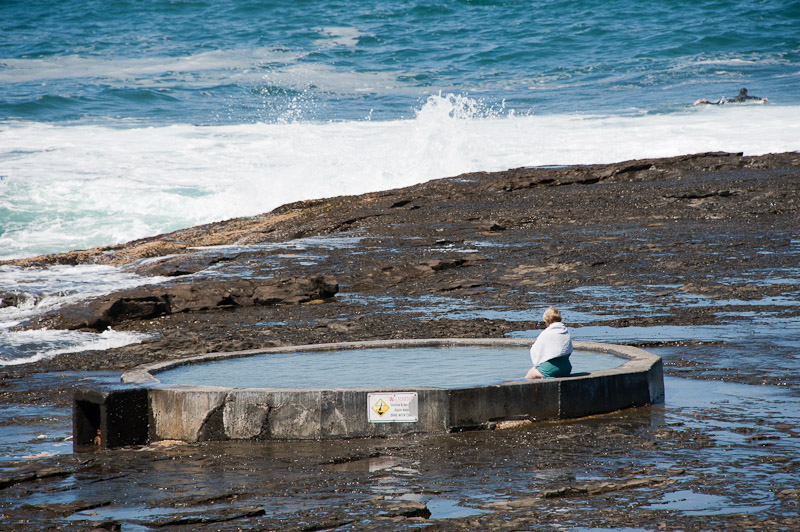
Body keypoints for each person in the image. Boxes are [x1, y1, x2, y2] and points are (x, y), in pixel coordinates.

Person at [525, 307, 573, 379]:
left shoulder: (547, 333)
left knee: (530, 374)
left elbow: (536, 350)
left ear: (547, 321)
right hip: (567, 367)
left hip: (553, 368)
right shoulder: (565, 331)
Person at [693, 88, 768, 106]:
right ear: (745, 92)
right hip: (727, 101)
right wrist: (762, 99)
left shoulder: (739, 96)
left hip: (727, 100)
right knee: (714, 104)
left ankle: (704, 101)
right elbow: (752, 97)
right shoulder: (744, 97)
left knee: (714, 103)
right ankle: (703, 101)